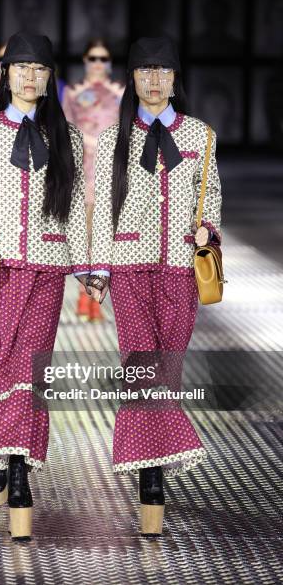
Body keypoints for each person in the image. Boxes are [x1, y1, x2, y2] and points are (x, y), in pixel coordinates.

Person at [0, 32, 90, 541]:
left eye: (40, 68)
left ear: (50, 78)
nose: (30, 76)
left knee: (30, 373)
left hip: (47, 268)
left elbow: (73, 210)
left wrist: (87, 267)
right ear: (6, 74)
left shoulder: (65, 139)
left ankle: (20, 470)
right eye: (20, 67)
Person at [87, 37, 222, 536]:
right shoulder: (114, 138)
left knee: (168, 364)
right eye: (144, 71)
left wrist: (209, 228)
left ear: (175, 79)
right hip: (128, 263)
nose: (154, 80)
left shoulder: (200, 136)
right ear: (132, 79)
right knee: (142, 363)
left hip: (180, 266)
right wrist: (98, 270)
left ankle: (152, 461)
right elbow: (101, 211)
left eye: (163, 71)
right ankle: (152, 477)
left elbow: (213, 197)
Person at [63, 39, 124, 321]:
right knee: (83, 233)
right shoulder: (74, 93)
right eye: (93, 58)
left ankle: (98, 297)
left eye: (103, 58)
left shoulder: (121, 93)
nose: (98, 64)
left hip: (111, 171)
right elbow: (64, 131)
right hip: (81, 171)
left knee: (107, 233)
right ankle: (83, 295)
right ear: (85, 61)